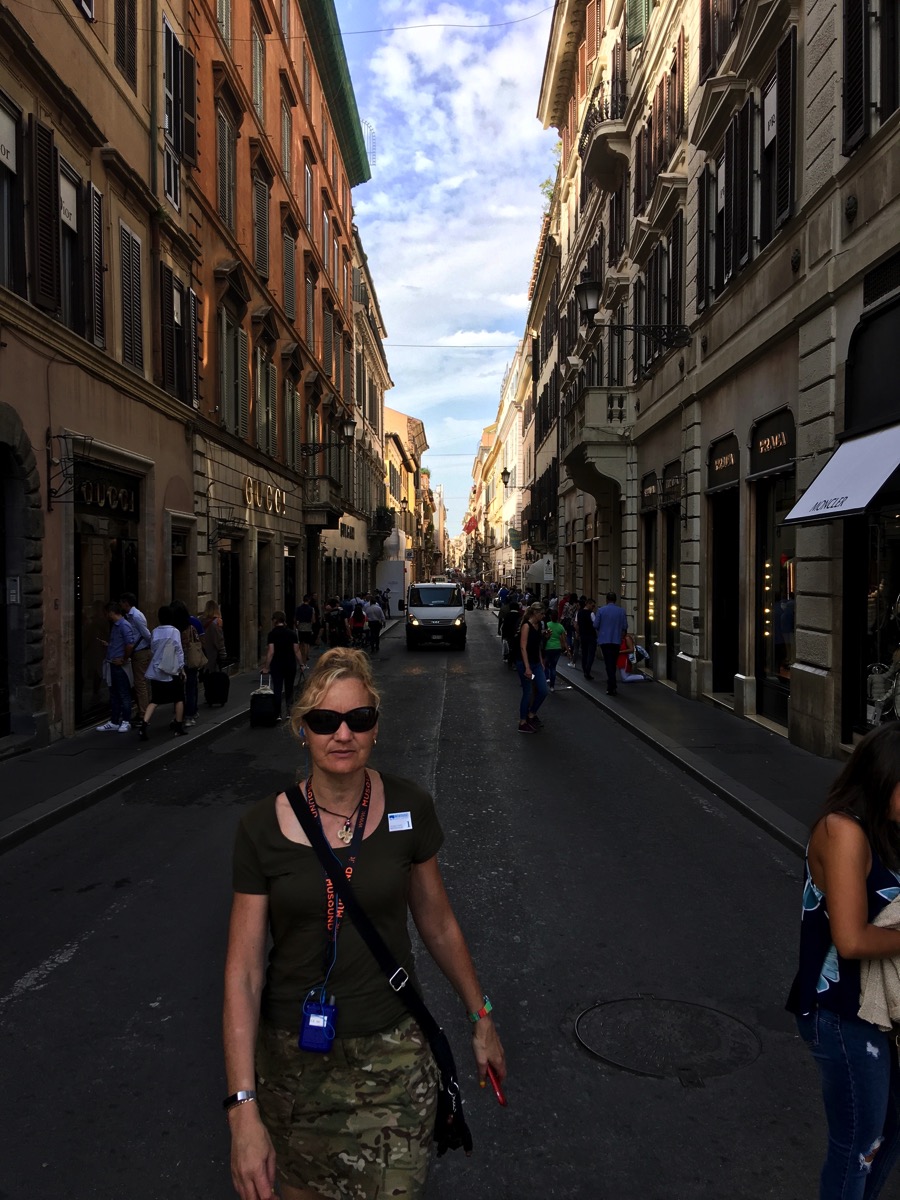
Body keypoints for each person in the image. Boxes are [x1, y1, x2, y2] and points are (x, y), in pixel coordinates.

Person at [223, 648, 506, 1200]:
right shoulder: (260, 828)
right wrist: (242, 1108)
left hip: (394, 1054)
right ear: (302, 728)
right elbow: (243, 973)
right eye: (325, 721)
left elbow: (438, 921)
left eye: (360, 719)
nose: (343, 734)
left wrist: (483, 1016)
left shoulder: (410, 807)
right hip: (294, 1068)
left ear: (376, 725)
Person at [786, 723, 900, 1199]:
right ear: (883, 775)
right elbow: (850, 940)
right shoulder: (842, 830)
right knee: (858, 1147)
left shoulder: (888, 829)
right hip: (841, 1015)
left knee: (886, 1137)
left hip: (880, 1012)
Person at [138, 605, 186, 740]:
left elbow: (153, 649)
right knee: (179, 698)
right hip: (171, 671)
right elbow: (179, 650)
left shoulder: (155, 632)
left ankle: (144, 725)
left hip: (157, 670)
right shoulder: (174, 631)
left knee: (155, 700)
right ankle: (178, 727)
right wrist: (182, 668)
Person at [97, 601, 136, 732]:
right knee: (114, 693)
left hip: (119, 665)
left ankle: (125, 721)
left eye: (106, 613)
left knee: (123, 694)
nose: (106, 616)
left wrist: (124, 659)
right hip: (113, 663)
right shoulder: (116, 625)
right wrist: (109, 646)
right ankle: (114, 721)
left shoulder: (124, 625)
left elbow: (130, 644)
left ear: (111, 612)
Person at [264, 611, 304, 718]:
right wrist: (301, 664)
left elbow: (271, 652)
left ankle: (277, 713)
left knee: (277, 688)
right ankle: (289, 712)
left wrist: (266, 667)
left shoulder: (272, 634)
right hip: (290, 664)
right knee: (289, 688)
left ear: (275, 620)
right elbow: (297, 651)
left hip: (277, 665)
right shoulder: (292, 634)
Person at [517, 602, 548, 733]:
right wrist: (527, 668)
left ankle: (531, 714)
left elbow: (537, 645)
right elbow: (523, 647)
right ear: (535, 613)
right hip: (525, 664)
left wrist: (541, 661)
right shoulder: (526, 626)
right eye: (542, 614)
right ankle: (523, 722)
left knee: (543, 690)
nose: (543, 616)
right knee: (528, 692)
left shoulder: (539, 625)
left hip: (536, 664)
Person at [120, 592, 152, 720]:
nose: (120, 605)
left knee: (140, 683)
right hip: (139, 651)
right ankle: (143, 710)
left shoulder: (136, 616)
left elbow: (147, 634)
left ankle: (144, 713)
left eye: (121, 603)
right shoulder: (130, 616)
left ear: (126, 603)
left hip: (140, 652)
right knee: (140, 683)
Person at [595, 592, 629, 696]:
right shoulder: (621, 611)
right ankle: (612, 684)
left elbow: (595, 624)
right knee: (613, 663)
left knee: (608, 663)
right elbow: (625, 626)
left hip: (605, 640)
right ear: (615, 600)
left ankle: (611, 685)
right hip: (616, 640)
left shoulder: (601, 610)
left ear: (606, 600)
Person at [544, 609, 567, 692]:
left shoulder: (547, 625)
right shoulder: (560, 626)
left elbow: (545, 636)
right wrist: (567, 650)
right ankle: (552, 686)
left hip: (548, 647)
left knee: (546, 664)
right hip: (557, 648)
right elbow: (564, 640)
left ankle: (547, 678)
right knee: (553, 667)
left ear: (550, 617)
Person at [202, 600, 227, 672]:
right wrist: (223, 654)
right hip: (212, 654)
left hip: (203, 652)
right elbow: (219, 639)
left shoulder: (201, 620)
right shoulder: (217, 621)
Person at [576, 598, 598, 680]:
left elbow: (577, 624)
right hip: (591, 636)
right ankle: (587, 671)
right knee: (591, 654)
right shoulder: (591, 613)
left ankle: (584, 669)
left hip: (583, 635)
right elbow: (595, 624)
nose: (593, 607)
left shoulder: (579, 612)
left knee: (584, 653)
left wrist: (578, 633)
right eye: (592, 605)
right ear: (588, 604)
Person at [293, 596, 316, 667]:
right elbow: (313, 620)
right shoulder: (311, 609)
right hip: (308, 627)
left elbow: (295, 619)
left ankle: (300, 662)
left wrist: (297, 626)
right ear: (309, 600)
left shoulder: (298, 608)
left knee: (300, 644)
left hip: (300, 627)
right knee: (306, 645)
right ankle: (305, 662)